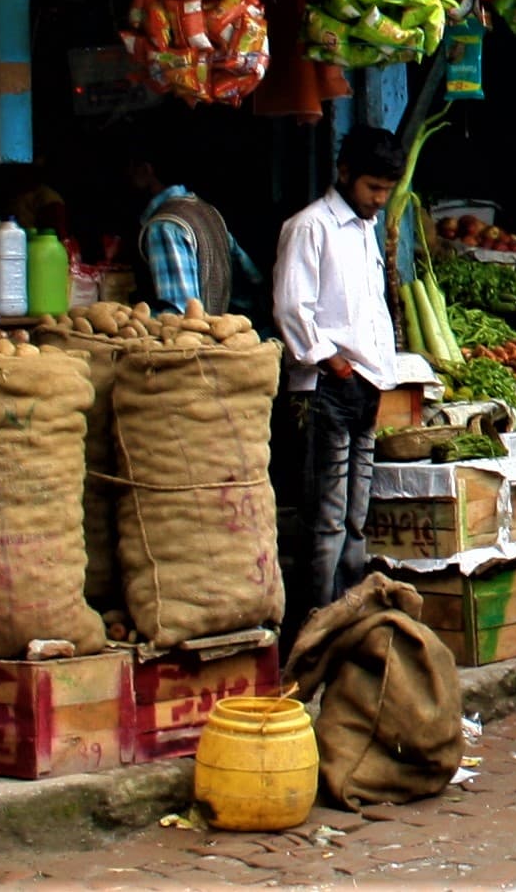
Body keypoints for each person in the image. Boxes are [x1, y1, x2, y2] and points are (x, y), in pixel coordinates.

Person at [274, 124, 405, 636]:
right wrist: (334, 362)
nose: (378, 199)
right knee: (327, 516)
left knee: (356, 516)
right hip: (327, 386)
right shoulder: (311, 227)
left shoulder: (366, 228)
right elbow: (291, 307)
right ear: (345, 173)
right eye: (373, 188)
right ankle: (315, 624)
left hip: (364, 384)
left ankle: (350, 619)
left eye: (386, 191)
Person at [126, 152, 259, 315]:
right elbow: (252, 278)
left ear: (146, 170)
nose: (128, 175)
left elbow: (179, 311)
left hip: (193, 337)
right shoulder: (208, 212)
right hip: (223, 330)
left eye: (131, 167)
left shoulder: (164, 226)